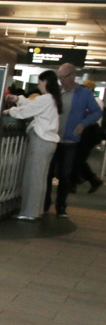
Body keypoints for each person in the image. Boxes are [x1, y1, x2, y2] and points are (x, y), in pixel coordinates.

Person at [45, 63, 103, 216]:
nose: (60, 81)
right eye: (59, 78)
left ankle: (61, 206)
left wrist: (83, 124)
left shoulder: (84, 94)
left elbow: (97, 112)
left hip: (70, 141)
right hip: (52, 138)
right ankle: (45, 204)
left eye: (63, 77)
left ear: (72, 76)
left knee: (65, 174)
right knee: (48, 173)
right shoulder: (56, 92)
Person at [4, 70, 62, 220]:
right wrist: (17, 99)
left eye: (40, 82)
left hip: (40, 141)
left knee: (33, 177)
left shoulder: (46, 99)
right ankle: (37, 210)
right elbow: (32, 104)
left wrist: (9, 111)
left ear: (45, 82)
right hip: (49, 143)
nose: (39, 85)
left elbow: (27, 111)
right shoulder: (52, 99)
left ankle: (29, 213)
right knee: (40, 178)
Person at [71, 80, 104, 193]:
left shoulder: (95, 101)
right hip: (87, 132)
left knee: (78, 158)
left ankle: (74, 182)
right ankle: (92, 179)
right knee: (78, 158)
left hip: (89, 133)